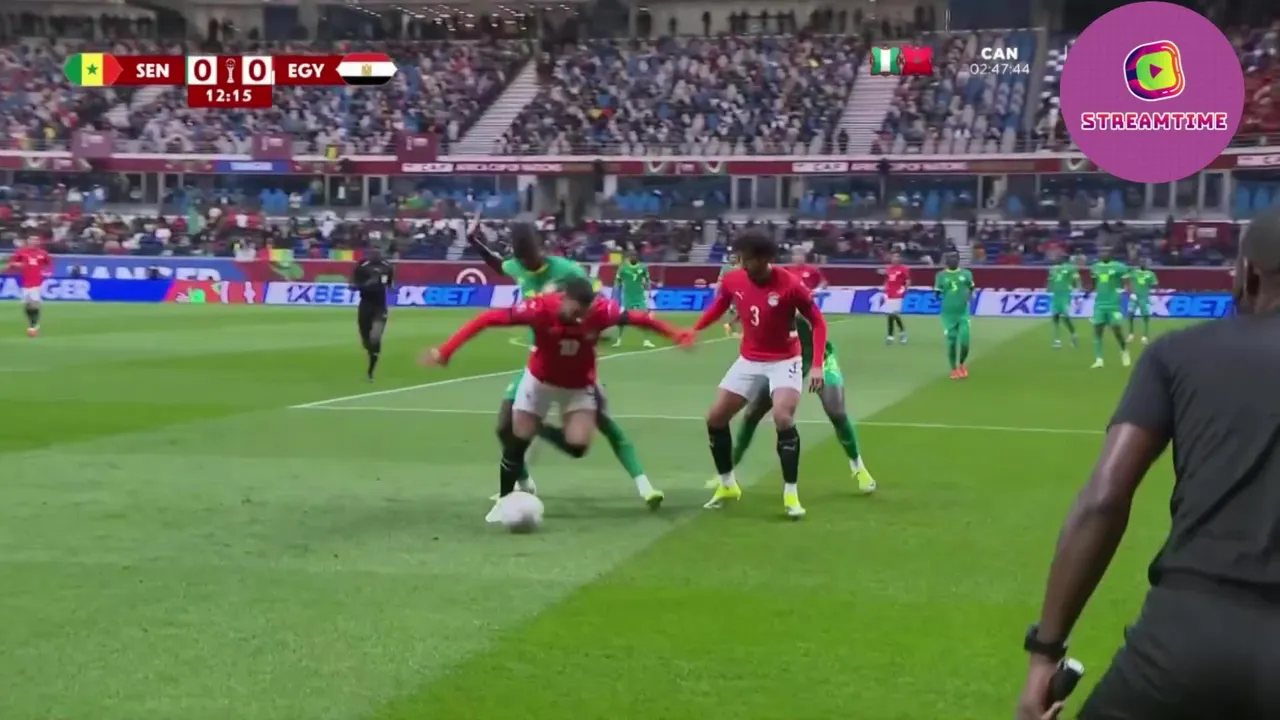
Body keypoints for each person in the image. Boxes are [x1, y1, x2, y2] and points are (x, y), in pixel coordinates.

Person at [1016, 210, 1280, 720]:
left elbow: (1103, 500)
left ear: (1248, 272)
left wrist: (1044, 652)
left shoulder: (1178, 354)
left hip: (1185, 637)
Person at [422, 277, 693, 520]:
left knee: (578, 446)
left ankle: (538, 428)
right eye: (576, 311)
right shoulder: (539, 308)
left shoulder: (602, 311)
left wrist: (675, 333)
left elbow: (642, 320)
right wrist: (446, 351)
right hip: (539, 382)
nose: (580, 318)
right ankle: (504, 501)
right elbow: (487, 319)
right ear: (564, 299)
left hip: (579, 387)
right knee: (516, 441)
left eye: (584, 313)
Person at [467, 222, 662, 503]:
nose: (526, 263)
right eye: (522, 259)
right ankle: (523, 484)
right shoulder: (518, 266)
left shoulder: (567, 271)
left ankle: (645, 486)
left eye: (530, 256)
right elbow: (500, 266)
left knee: (603, 421)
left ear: (539, 248)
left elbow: (593, 298)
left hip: (576, 361)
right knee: (504, 427)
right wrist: (475, 243)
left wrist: (596, 329)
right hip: (540, 361)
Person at [690, 231, 829, 519]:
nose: (742, 265)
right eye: (740, 259)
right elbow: (720, 305)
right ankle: (727, 484)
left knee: (782, 416)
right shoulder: (734, 279)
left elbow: (818, 322)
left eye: (748, 259)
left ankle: (790, 494)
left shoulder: (790, 285)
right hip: (749, 359)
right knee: (715, 418)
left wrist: (816, 365)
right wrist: (695, 329)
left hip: (785, 360)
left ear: (765, 259)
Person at [721, 265, 876, 495]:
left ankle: (858, 466)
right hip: (784, 362)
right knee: (753, 413)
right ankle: (728, 472)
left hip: (818, 357)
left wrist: (817, 366)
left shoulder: (787, 296)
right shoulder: (751, 302)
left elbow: (815, 325)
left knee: (836, 411)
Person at [349, 247, 394, 381]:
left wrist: (389, 286)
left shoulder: (387, 266)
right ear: (369, 253)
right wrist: (368, 283)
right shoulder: (362, 266)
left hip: (380, 307)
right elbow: (352, 286)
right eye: (373, 252)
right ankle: (371, 351)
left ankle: (371, 371)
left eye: (378, 252)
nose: (376, 254)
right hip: (365, 305)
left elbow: (390, 284)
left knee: (375, 337)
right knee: (366, 339)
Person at [1087, 246, 1131, 369]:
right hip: (1100, 304)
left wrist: (1129, 295)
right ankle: (1099, 359)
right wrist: (1087, 292)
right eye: (1102, 252)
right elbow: (1094, 284)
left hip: (1114, 303)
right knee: (1097, 330)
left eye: (1106, 252)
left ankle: (1124, 350)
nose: (1103, 254)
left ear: (1111, 254)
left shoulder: (1120, 267)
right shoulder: (1095, 267)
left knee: (1116, 329)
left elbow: (1127, 283)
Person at [933, 252, 975, 379]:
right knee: (951, 343)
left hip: (963, 313)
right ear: (946, 262)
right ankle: (953, 369)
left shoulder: (966, 274)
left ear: (958, 261)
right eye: (950, 259)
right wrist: (938, 294)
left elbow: (971, 287)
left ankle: (961, 364)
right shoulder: (941, 276)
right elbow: (937, 292)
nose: (953, 261)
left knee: (965, 341)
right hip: (948, 314)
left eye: (955, 259)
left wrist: (969, 296)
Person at [6, 240, 52, 337]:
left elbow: (49, 264)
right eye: (31, 240)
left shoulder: (43, 253)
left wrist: (48, 272)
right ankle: (32, 322)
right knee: (27, 305)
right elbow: (12, 262)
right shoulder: (21, 252)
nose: (33, 242)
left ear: (38, 243)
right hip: (25, 283)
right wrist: (16, 265)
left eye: (35, 241)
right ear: (28, 242)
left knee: (34, 304)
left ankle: (34, 325)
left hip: (37, 283)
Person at [613, 249, 653, 348]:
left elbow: (647, 280)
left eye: (635, 256)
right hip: (627, 296)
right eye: (631, 256)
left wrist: (649, 291)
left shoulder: (643, 267)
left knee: (645, 317)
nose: (633, 258)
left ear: (637, 257)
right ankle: (619, 340)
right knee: (622, 319)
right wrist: (616, 290)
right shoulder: (623, 268)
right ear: (629, 257)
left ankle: (646, 340)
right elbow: (617, 280)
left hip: (639, 296)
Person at [1046, 249, 1081, 349]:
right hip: (1056, 295)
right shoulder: (1052, 269)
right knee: (1055, 316)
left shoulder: (1070, 268)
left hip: (1065, 295)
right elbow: (1050, 280)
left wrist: (1078, 289)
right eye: (1056, 257)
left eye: (1059, 256)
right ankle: (1057, 339)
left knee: (1065, 317)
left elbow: (1077, 279)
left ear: (1063, 258)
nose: (1057, 258)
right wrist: (1048, 288)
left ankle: (1073, 334)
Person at [1126, 257, 1158, 345]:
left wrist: (1150, 294)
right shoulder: (1134, 272)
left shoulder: (1150, 274)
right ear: (1139, 264)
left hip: (1144, 297)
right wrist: (1130, 292)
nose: (1143, 264)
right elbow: (1127, 281)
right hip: (1134, 297)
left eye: (1144, 263)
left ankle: (1145, 336)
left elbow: (1154, 284)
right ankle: (1131, 334)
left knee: (1145, 316)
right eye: (1141, 262)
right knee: (1130, 314)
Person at [880, 251, 910, 344]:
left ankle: (892, 336)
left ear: (900, 259)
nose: (895, 259)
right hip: (889, 294)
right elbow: (887, 280)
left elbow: (907, 280)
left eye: (897, 257)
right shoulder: (889, 269)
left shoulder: (904, 269)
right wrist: (884, 290)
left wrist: (904, 290)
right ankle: (900, 334)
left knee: (893, 314)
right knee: (891, 315)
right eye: (893, 257)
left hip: (898, 294)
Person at [717, 252, 741, 337]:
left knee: (740, 312)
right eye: (731, 257)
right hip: (729, 291)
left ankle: (729, 325)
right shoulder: (725, 267)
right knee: (733, 311)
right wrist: (717, 290)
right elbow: (720, 279)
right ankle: (733, 330)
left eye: (734, 257)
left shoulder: (741, 267)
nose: (732, 259)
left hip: (740, 291)